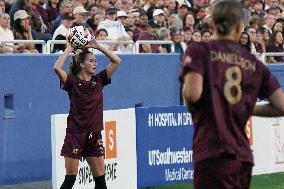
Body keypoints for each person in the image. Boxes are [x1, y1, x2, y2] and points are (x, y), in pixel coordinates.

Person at [180, 0, 284, 189]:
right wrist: (247, 108)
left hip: (212, 150)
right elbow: (281, 105)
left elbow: (193, 94)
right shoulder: (254, 63)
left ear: (212, 24)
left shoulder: (199, 50)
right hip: (243, 157)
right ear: (239, 26)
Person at [53, 36, 121, 189]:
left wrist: (98, 46)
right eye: (91, 61)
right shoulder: (71, 82)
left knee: (101, 182)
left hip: (94, 134)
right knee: (70, 178)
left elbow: (117, 61)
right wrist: (69, 49)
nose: (95, 64)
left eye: (95, 61)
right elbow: (57, 68)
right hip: (75, 134)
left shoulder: (99, 80)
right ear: (82, 64)